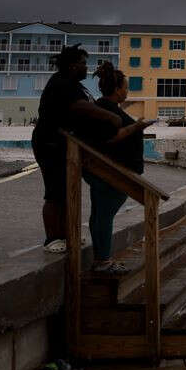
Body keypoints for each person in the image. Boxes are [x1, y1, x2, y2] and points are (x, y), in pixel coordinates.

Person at [31, 44, 123, 253]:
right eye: (83, 63)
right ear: (72, 66)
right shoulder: (61, 83)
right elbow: (79, 107)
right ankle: (53, 238)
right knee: (54, 192)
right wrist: (110, 116)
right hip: (50, 144)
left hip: (67, 146)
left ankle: (67, 233)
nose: (86, 67)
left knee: (66, 191)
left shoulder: (75, 85)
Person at [85, 62, 155, 274]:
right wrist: (138, 126)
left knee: (100, 214)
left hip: (108, 171)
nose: (127, 90)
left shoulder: (104, 107)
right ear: (117, 90)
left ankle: (101, 259)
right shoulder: (105, 110)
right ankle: (103, 262)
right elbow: (109, 138)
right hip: (110, 173)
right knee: (104, 215)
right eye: (125, 87)